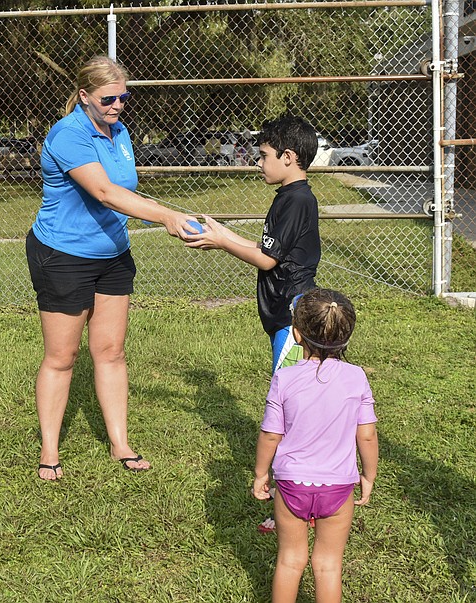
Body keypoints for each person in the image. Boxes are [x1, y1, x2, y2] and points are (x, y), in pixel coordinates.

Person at [26, 55, 200, 480]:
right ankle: (50, 450)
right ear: (84, 96)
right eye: (108, 98)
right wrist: (166, 215)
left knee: (111, 352)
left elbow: (124, 190)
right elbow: (104, 191)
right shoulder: (68, 134)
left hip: (113, 256)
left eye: (123, 97)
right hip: (64, 255)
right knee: (62, 357)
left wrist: (163, 217)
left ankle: (119, 443)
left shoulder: (119, 131)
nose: (118, 105)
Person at [188, 114, 322, 530]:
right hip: (283, 315)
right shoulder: (289, 196)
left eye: (263, 156)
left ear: (288, 157)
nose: (258, 163)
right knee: (293, 408)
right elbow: (269, 249)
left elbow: (266, 260)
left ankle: (295, 505)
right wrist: (223, 234)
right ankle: (301, 499)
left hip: (292, 319)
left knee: (290, 411)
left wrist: (222, 243)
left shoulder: (296, 200)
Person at [252, 288, 378, 603]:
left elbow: (270, 434)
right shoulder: (357, 378)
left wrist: (260, 473)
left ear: (296, 333)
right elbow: (366, 435)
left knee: (289, 560)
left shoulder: (284, 379)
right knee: (328, 565)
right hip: (338, 487)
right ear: (346, 336)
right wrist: (369, 475)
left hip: (291, 485)